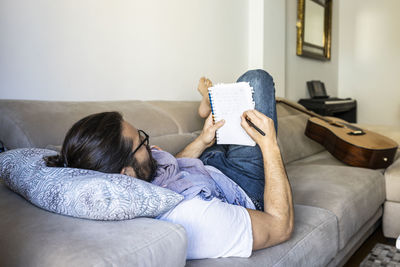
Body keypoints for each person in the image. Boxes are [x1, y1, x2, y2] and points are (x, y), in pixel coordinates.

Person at [45, 69, 294, 259]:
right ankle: (214, 104)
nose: (150, 147)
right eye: (142, 143)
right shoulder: (199, 218)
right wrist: (270, 145)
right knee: (257, 79)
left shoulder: (127, 178)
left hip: (204, 168)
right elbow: (280, 227)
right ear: (125, 174)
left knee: (230, 119)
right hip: (240, 184)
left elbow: (175, 165)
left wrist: (203, 140)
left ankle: (213, 106)